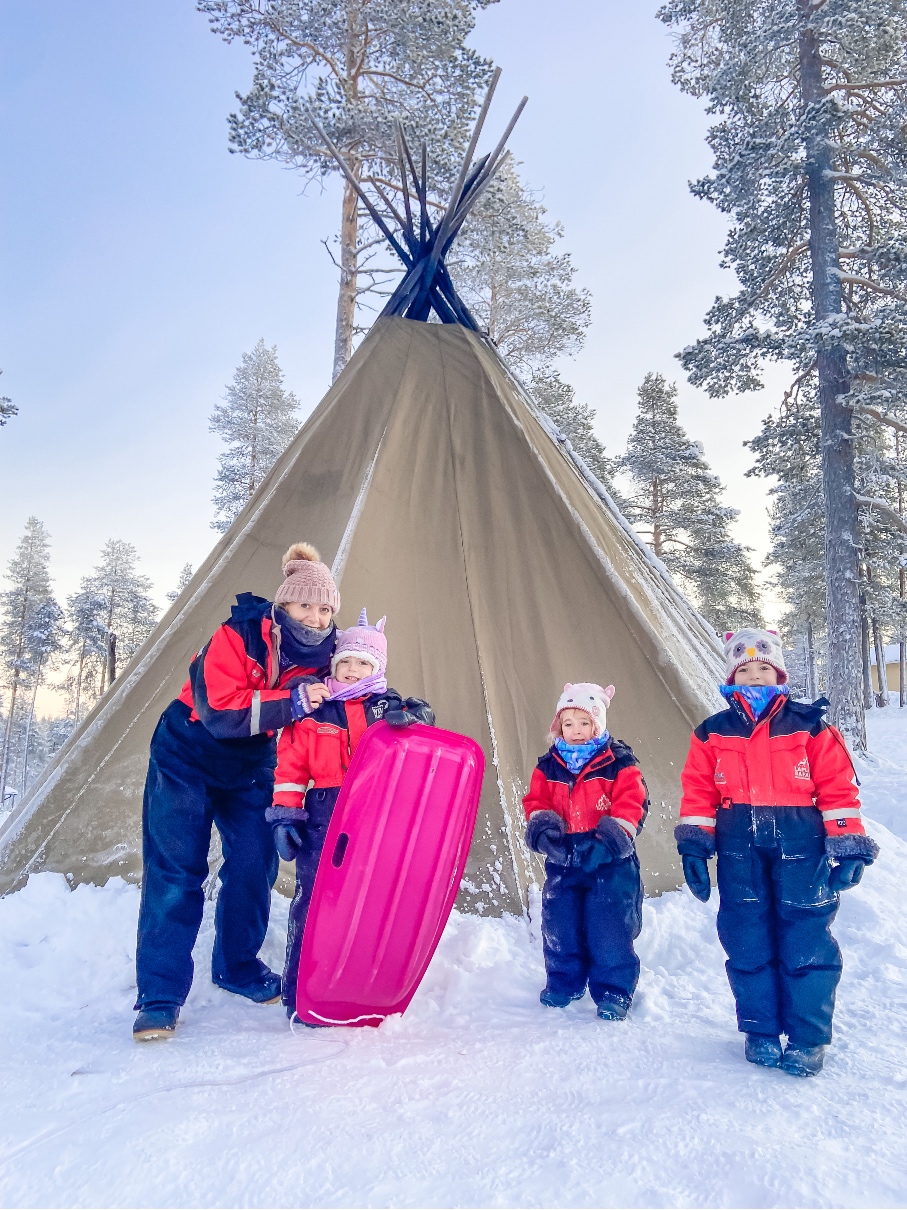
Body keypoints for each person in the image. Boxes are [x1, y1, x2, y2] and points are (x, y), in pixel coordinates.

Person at [132, 543, 341, 1042]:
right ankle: (159, 996)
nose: (316, 616)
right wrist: (290, 701)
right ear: (283, 605)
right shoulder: (239, 634)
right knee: (177, 871)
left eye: (325, 607)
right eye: (305, 605)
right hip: (187, 751)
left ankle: (236, 966)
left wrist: (398, 711)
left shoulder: (330, 657)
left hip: (252, 762)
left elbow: (358, 693)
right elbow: (219, 710)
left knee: (254, 863)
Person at [675, 627, 879, 1077]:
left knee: (806, 937)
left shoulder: (810, 726)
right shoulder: (712, 732)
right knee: (746, 936)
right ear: (731, 677)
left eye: (762, 668)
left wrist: (847, 845)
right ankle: (760, 1030)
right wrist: (694, 845)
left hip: (800, 842)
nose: (754, 677)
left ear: (778, 673)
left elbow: (838, 788)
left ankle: (807, 1037)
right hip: (737, 846)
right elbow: (697, 792)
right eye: (744, 669)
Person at [266, 609, 435, 1021]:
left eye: (363, 663)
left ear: (376, 669)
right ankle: (301, 991)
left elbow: (421, 745)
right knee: (316, 899)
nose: (353, 670)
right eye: (346, 662)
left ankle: (359, 987)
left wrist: (420, 716)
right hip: (325, 810)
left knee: (371, 900)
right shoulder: (313, 710)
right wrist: (286, 816)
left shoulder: (389, 707)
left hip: (378, 812)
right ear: (334, 665)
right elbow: (290, 768)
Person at [522, 683, 649, 1021]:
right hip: (564, 858)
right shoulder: (548, 766)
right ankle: (565, 982)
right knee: (560, 923)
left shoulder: (618, 763)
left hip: (609, 860)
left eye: (583, 723)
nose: (575, 731)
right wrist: (544, 832)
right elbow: (536, 802)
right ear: (558, 726)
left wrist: (608, 841)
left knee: (608, 927)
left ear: (597, 725)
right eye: (568, 724)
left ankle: (613, 991)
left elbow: (631, 804)